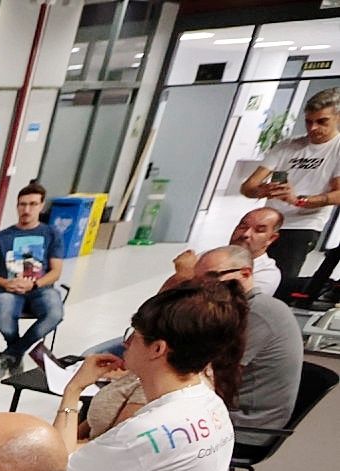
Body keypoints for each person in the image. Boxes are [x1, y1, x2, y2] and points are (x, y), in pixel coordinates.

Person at [51, 281, 244, 471]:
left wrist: (74, 389)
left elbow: (57, 466)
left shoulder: (150, 428)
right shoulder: (211, 404)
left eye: (133, 337)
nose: (125, 345)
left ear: (158, 349)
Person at [80, 246, 302, 449]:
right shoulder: (230, 312)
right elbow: (154, 320)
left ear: (245, 274)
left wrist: (76, 391)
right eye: (197, 280)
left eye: (211, 277)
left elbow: (174, 357)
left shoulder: (256, 316)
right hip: (215, 412)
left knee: (122, 397)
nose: (202, 288)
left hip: (240, 426)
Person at [239, 88, 340, 300]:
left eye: (322, 122)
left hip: (302, 226)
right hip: (268, 222)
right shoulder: (288, 146)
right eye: (309, 121)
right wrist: (264, 189)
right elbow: (248, 187)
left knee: (279, 284)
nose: (313, 128)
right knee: (243, 273)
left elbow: (338, 194)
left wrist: (299, 201)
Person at [0, 182, 64, 379]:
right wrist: (5, 283)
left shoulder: (51, 234)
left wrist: (34, 283)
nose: (27, 209)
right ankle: (15, 353)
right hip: (8, 288)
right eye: (22, 204)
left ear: (41, 205)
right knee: (3, 310)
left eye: (33, 204)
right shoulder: (1, 237)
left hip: (40, 288)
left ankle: (11, 354)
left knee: (54, 313)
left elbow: (56, 271)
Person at [161, 208, 283, 298]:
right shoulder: (209, 255)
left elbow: (221, 309)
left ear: (271, 238)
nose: (246, 234)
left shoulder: (267, 274)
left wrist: (186, 275)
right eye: (243, 226)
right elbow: (162, 296)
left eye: (259, 230)